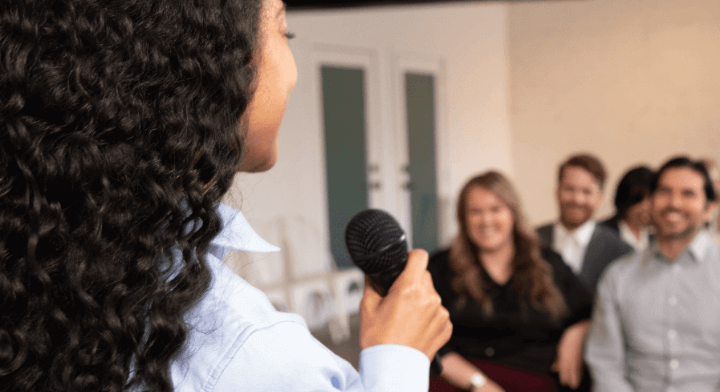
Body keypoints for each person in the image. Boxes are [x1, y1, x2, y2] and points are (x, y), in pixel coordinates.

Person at [0, 1, 452, 391]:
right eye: (283, 31)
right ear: (211, 70)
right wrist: (399, 359)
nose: (292, 73)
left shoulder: (40, 268)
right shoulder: (251, 355)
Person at [427, 171, 592, 392]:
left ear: (513, 213)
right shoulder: (440, 267)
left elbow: (589, 311)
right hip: (462, 382)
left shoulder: (548, 263)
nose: (486, 220)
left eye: (496, 209)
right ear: (463, 219)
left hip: (535, 380)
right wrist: (480, 385)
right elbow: (428, 339)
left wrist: (577, 333)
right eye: (476, 212)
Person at [585, 156, 720, 392]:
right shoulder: (618, 277)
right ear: (651, 202)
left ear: (708, 208)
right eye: (665, 192)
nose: (674, 203)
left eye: (688, 194)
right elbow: (605, 364)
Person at [536, 153, 633, 297]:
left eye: (587, 192)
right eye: (569, 189)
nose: (577, 199)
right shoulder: (530, 241)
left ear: (599, 198)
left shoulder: (621, 252)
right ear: (557, 191)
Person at [599, 166, 655, 252]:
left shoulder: (656, 239)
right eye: (640, 200)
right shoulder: (601, 233)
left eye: (652, 200)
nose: (647, 207)